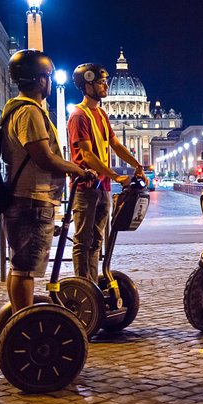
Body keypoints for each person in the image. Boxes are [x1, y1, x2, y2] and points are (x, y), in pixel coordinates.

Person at [1, 49, 89, 313]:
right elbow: (44, 157)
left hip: (23, 197)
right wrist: (77, 169)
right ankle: (23, 325)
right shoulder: (29, 112)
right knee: (25, 270)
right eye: (48, 76)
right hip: (33, 199)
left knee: (19, 267)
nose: (50, 82)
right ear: (40, 80)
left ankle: (18, 319)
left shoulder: (14, 108)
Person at [68, 63, 146, 281]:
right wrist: (117, 175)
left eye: (105, 82)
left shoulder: (101, 113)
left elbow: (115, 144)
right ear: (88, 85)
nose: (106, 86)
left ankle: (91, 284)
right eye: (101, 83)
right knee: (83, 240)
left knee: (97, 240)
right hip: (86, 187)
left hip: (102, 187)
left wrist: (136, 164)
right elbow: (87, 156)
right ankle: (82, 286)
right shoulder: (78, 115)